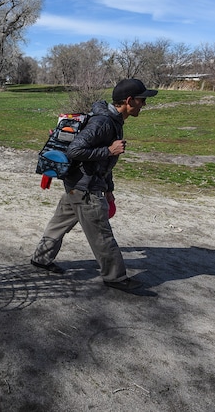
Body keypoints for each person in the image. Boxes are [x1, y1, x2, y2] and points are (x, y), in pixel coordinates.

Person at [30, 79, 158, 291]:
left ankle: (41, 259)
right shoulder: (103, 123)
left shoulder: (111, 121)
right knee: (101, 234)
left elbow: (103, 164)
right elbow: (75, 151)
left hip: (77, 184)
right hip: (85, 188)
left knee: (59, 223)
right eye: (141, 100)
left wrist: (109, 189)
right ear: (128, 101)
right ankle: (115, 277)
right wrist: (109, 150)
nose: (143, 104)